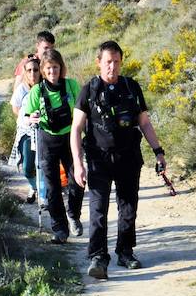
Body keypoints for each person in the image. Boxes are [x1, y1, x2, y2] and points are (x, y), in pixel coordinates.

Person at [71, 40, 166, 280]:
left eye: (116, 62)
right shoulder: (88, 90)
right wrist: (79, 163)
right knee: (98, 209)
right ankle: (98, 257)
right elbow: (76, 129)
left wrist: (158, 151)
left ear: (121, 62)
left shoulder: (131, 87)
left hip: (128, 158)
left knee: (128, 208)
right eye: (107, 62)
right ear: (99, 63)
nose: (112, 67)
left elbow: (144, 123)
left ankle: (125, 252)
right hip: (98, 159)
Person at [22, 48, 84, 243]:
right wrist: (31, 117)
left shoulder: (72, 85)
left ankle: (73, 215)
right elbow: (24, 116)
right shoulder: (36, 91)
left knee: (78, 179)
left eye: (55, 68)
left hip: (70, 139)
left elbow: (84, 111)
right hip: (46, 140)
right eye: (48, 68)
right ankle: (60, 230)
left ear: (61, 68)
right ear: (42, 70)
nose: (52, 72)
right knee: (52, 187)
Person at [9, 55, 42, 204]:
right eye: (29, 70)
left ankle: (44, 193)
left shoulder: (45, 87)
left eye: (36, 70)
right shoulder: (21, 89)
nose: (32, 73)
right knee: (28, 168)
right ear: (25, 72)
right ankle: (34, 187)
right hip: (26, 132)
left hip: (43, 131)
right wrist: (27, 117)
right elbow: (15, 109)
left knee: (42, 165)